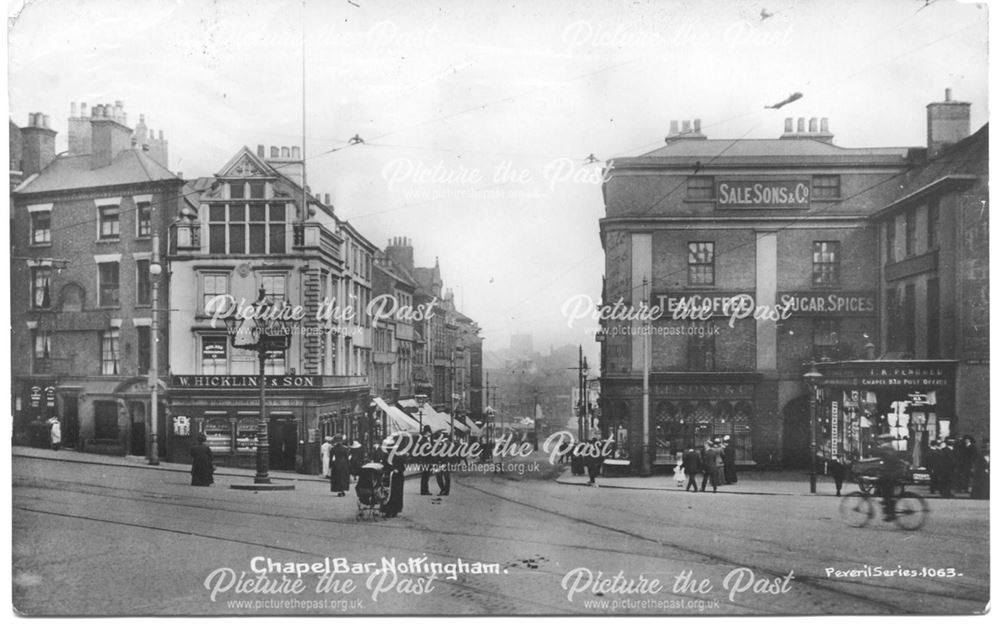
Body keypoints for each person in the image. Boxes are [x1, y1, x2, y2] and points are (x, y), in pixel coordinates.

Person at [874, 434, 906, 521]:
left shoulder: (885, 448)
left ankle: (890, 512)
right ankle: (889, 507)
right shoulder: (891, 447)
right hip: (895, 472)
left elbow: (878, 457)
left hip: (891, 473)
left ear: (884, 440)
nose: (879, 441)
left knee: (885, 490)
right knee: (888, 491)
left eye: (881, 439)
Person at [381, 436, 406, 518]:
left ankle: (393, 510)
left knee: (394, 493)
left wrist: (396, 469)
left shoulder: (396, 454)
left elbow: (401, 466)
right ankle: (389, 509)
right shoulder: (388, 455)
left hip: (396, 476)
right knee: (388, 493)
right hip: (390, 475)